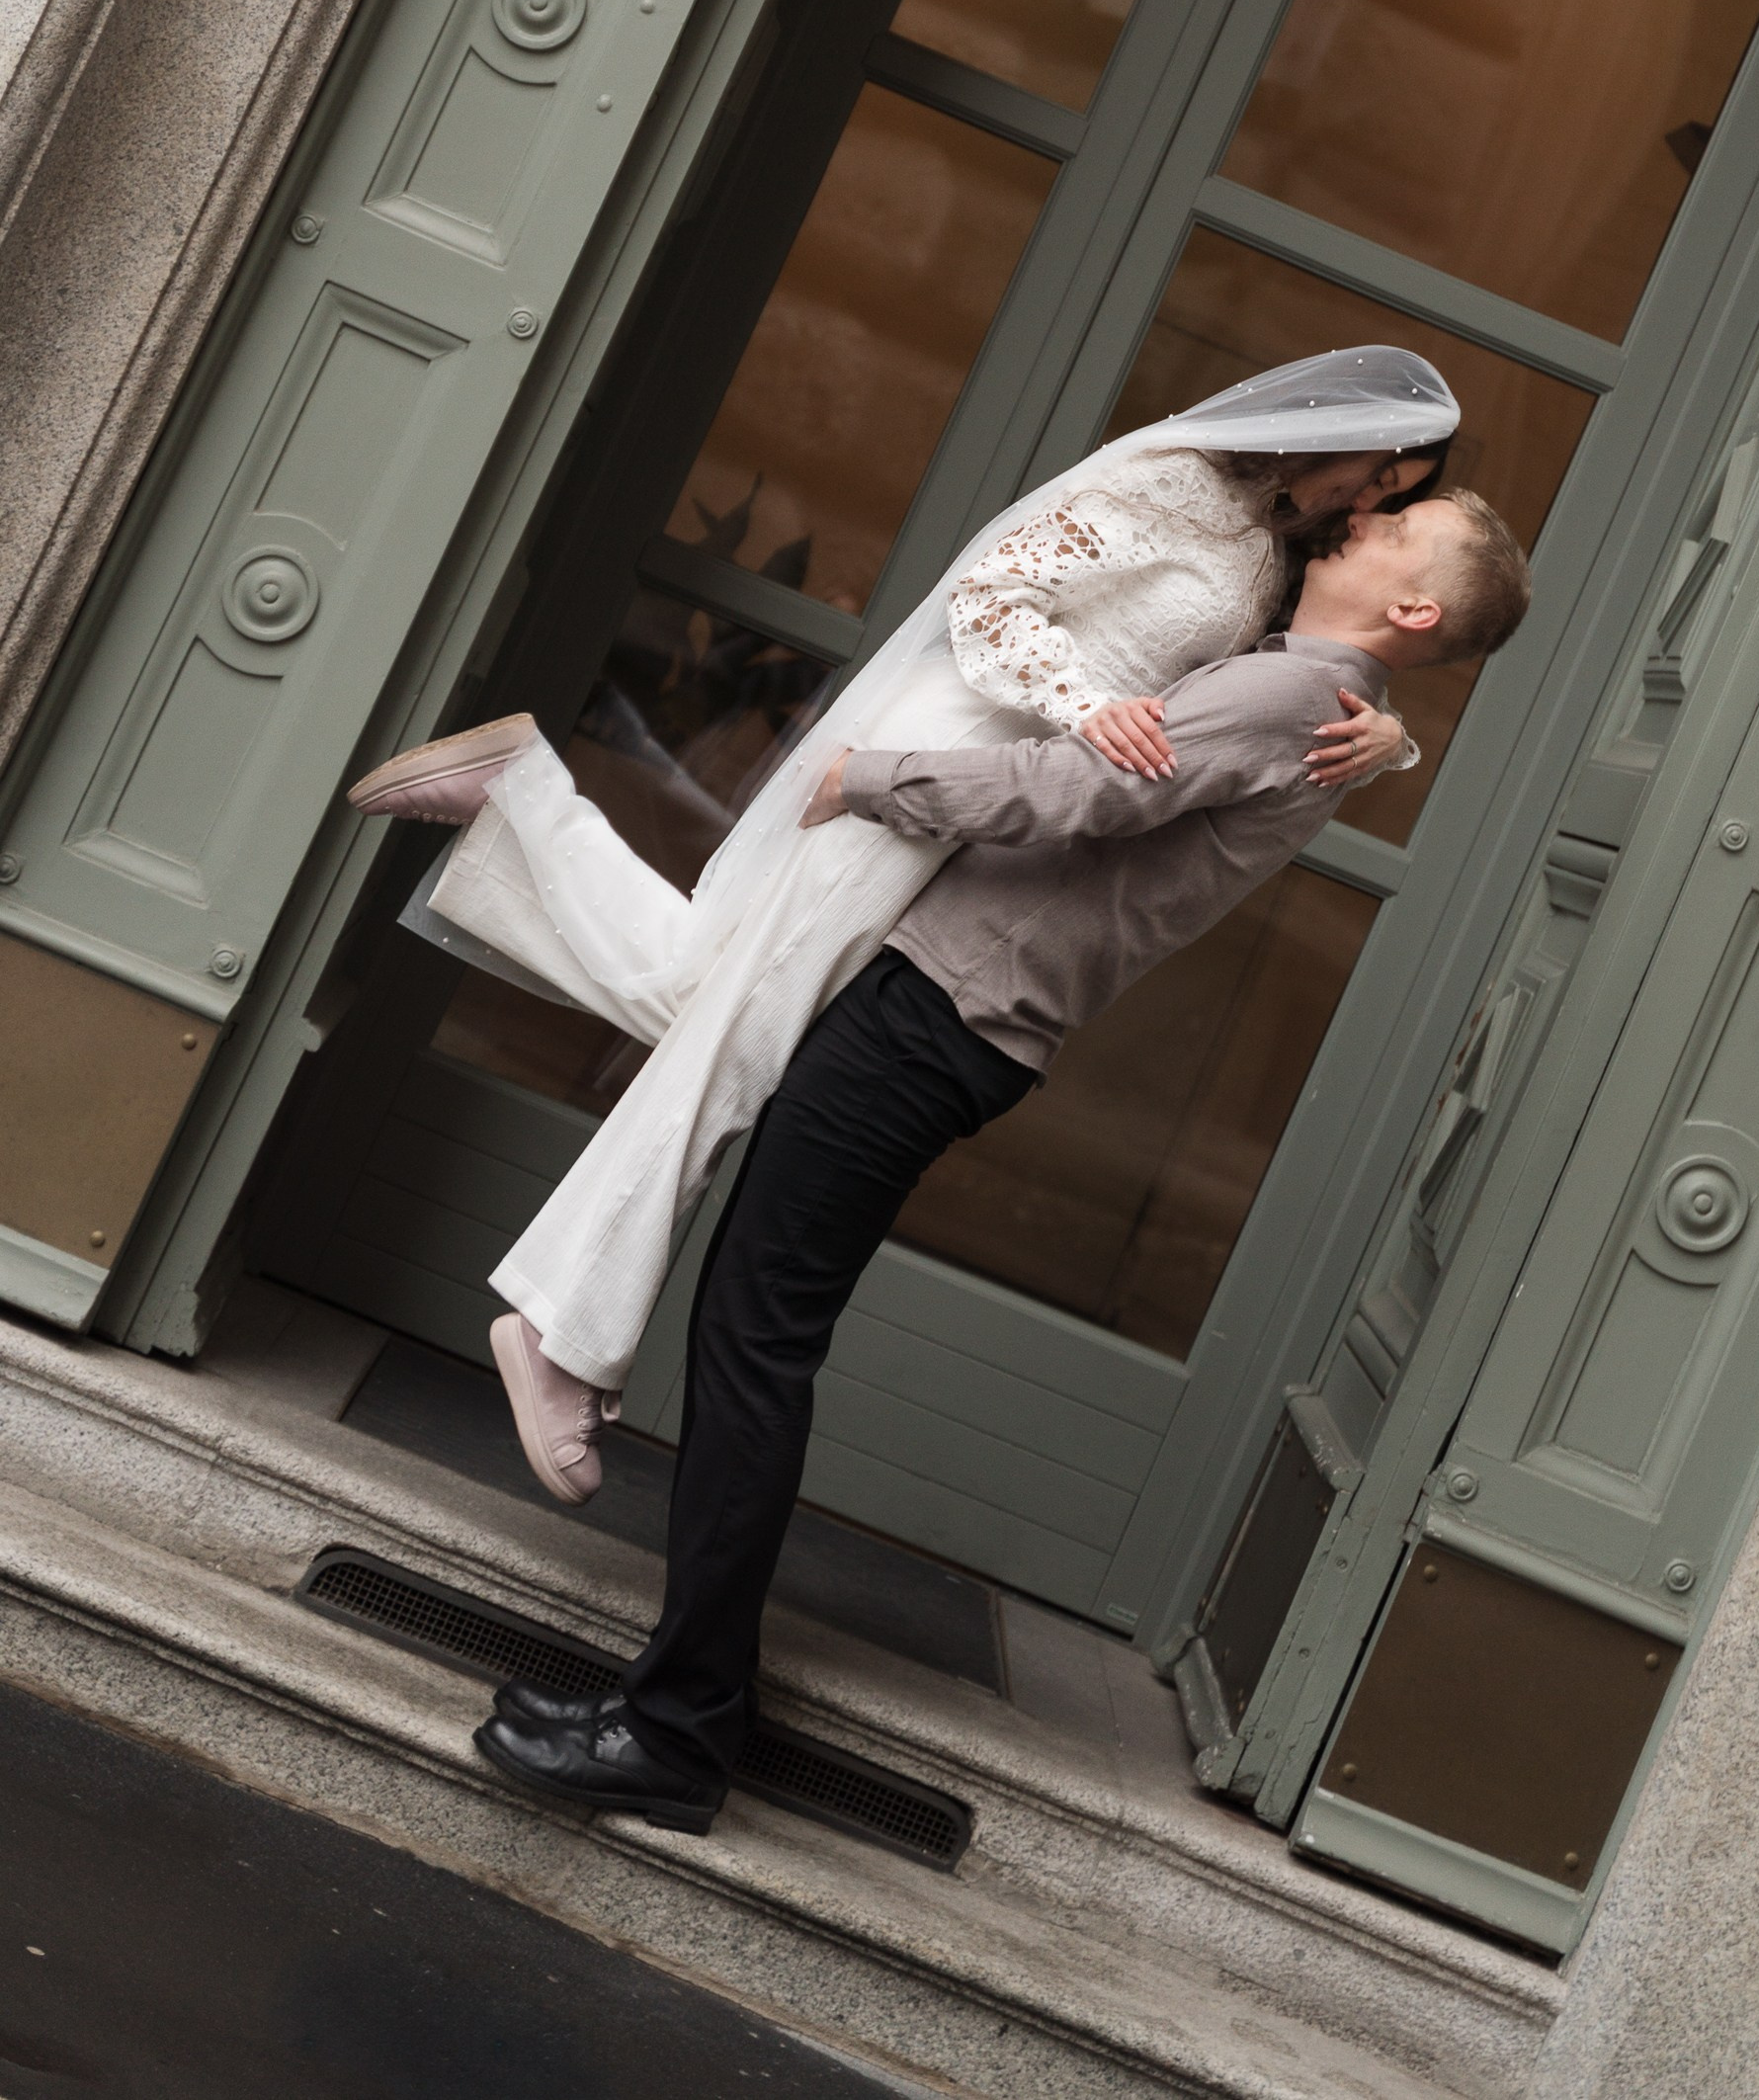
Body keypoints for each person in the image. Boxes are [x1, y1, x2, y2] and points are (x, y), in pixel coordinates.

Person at [466, 478, 1533, 1831]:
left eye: (1397, 526)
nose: (1364, 518)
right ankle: (665, 1699)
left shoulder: (1287, 700)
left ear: (1412, 604)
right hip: (941, 1013)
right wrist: (1397, 739)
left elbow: (1082, 790)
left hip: (939, 1020)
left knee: (755, 1338)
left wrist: (870, 777)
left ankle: (676, 1730)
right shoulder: (1300, 689)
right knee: (753, 1326)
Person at [344, 351, 1459, 1491]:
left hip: (988, 793)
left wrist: (1392, 735)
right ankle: (559, 1332)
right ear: (1340, 430)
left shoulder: (1269, 545)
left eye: (1392, 497)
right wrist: (1088, 708)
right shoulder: (1176, 480)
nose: (1371, 501)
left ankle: (521, 793)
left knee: (710, 990)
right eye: (1380, 474)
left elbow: (1288, 689)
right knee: (745, 1030)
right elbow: (990, 590)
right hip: (956, 745)